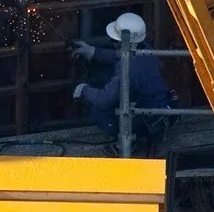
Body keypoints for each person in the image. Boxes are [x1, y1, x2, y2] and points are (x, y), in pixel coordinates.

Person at [70, 12, 172, 152]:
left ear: (122, 42)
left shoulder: (130, 69)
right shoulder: (144, 49)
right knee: (105, 78)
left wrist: (83, 90)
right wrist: (92, 52)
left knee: (99, 110)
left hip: (149, 117)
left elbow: (105, 100)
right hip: (160, 105)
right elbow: (116, 56)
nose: (113, 43)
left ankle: (132, 139)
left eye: (114, 41)